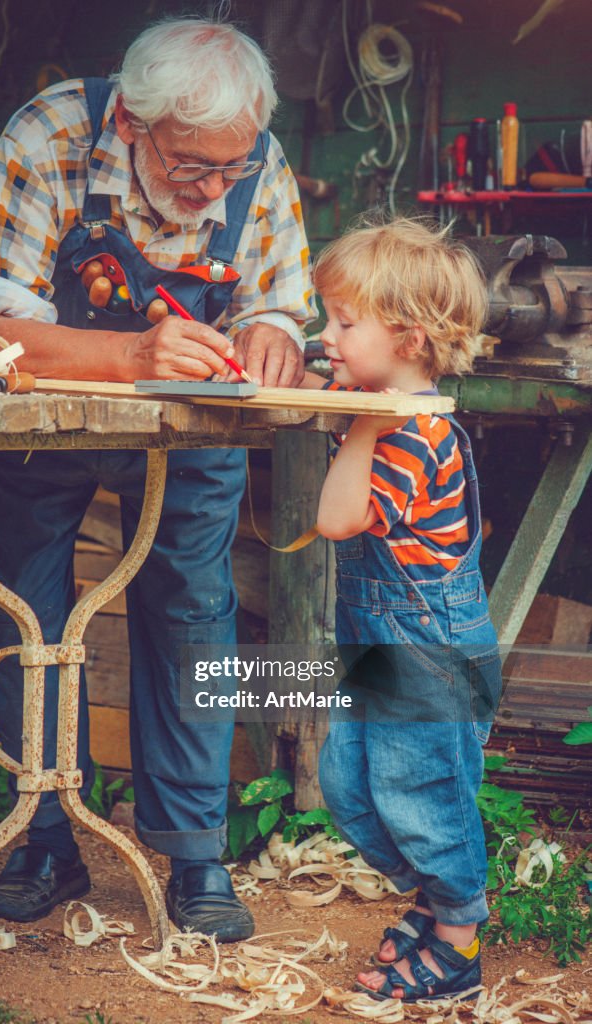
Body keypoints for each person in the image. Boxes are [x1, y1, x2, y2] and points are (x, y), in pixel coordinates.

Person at [0, 16, 315, 940]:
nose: (214, 190)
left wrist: (275, 331)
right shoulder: (48, 136)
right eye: (193, 167)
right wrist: (130, 354)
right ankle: (44, 841)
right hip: (45, 418)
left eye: (231, 171)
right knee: (30, 614)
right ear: (129, 124)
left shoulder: (251, 157)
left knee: (194, 612)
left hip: (194, 431)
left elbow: (279, 296)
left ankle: (195, 855)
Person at [301, 218, 502, 1001]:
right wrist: (343, 391)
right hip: (384, 637)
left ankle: (458, 938)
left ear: (410, 337)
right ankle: (435, 895)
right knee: (349, 786)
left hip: (429, 647)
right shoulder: (383, 404)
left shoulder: (412, 429)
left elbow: (339, 521)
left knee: (421, 791)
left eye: (345, 323)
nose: (330, 336)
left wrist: (359, 426)